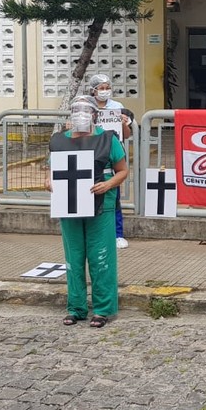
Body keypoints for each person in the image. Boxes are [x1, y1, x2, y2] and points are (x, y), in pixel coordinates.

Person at [47, 99, 128, 327]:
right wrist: (49, 181)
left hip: (101, 203)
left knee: (101, 256)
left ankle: (103, 309)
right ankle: (76, 307)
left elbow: (122, 170)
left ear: (95, 115)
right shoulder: (59, 140)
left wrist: (108, 184)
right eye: (76, 111)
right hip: (69, 203)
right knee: (73, 257)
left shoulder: (107, 138)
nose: (80, 115)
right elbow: (52, 170)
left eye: (86, 111)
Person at [87, 73, 133, 249]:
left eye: (107, 88)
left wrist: (123, 123)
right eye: (101, 88)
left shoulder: (116, 106)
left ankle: (118, 233)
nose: (105, 91)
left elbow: (127, 134)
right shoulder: (87, 106)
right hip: (91, 153)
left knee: (113, 196)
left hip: (112, 155)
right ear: (93, 90)